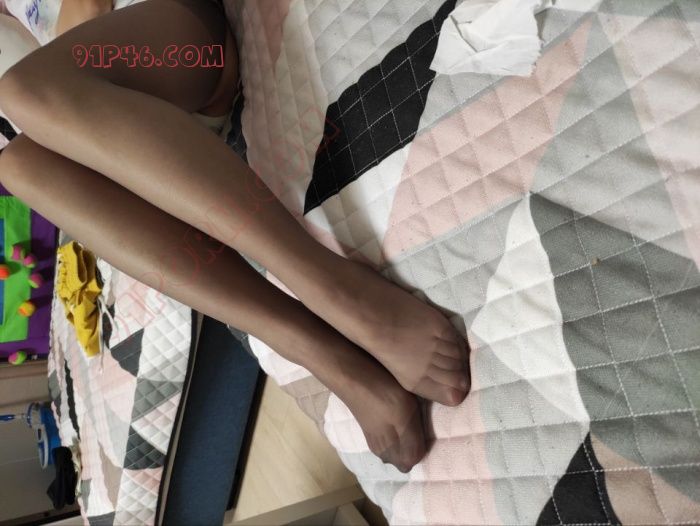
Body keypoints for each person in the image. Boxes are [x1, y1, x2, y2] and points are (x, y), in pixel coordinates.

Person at [0, 0, 470, 473]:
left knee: (24, 92)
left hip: (185, 45)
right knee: (16, 165)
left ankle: (334, 287)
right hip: (127, 117)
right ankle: (312, 346)